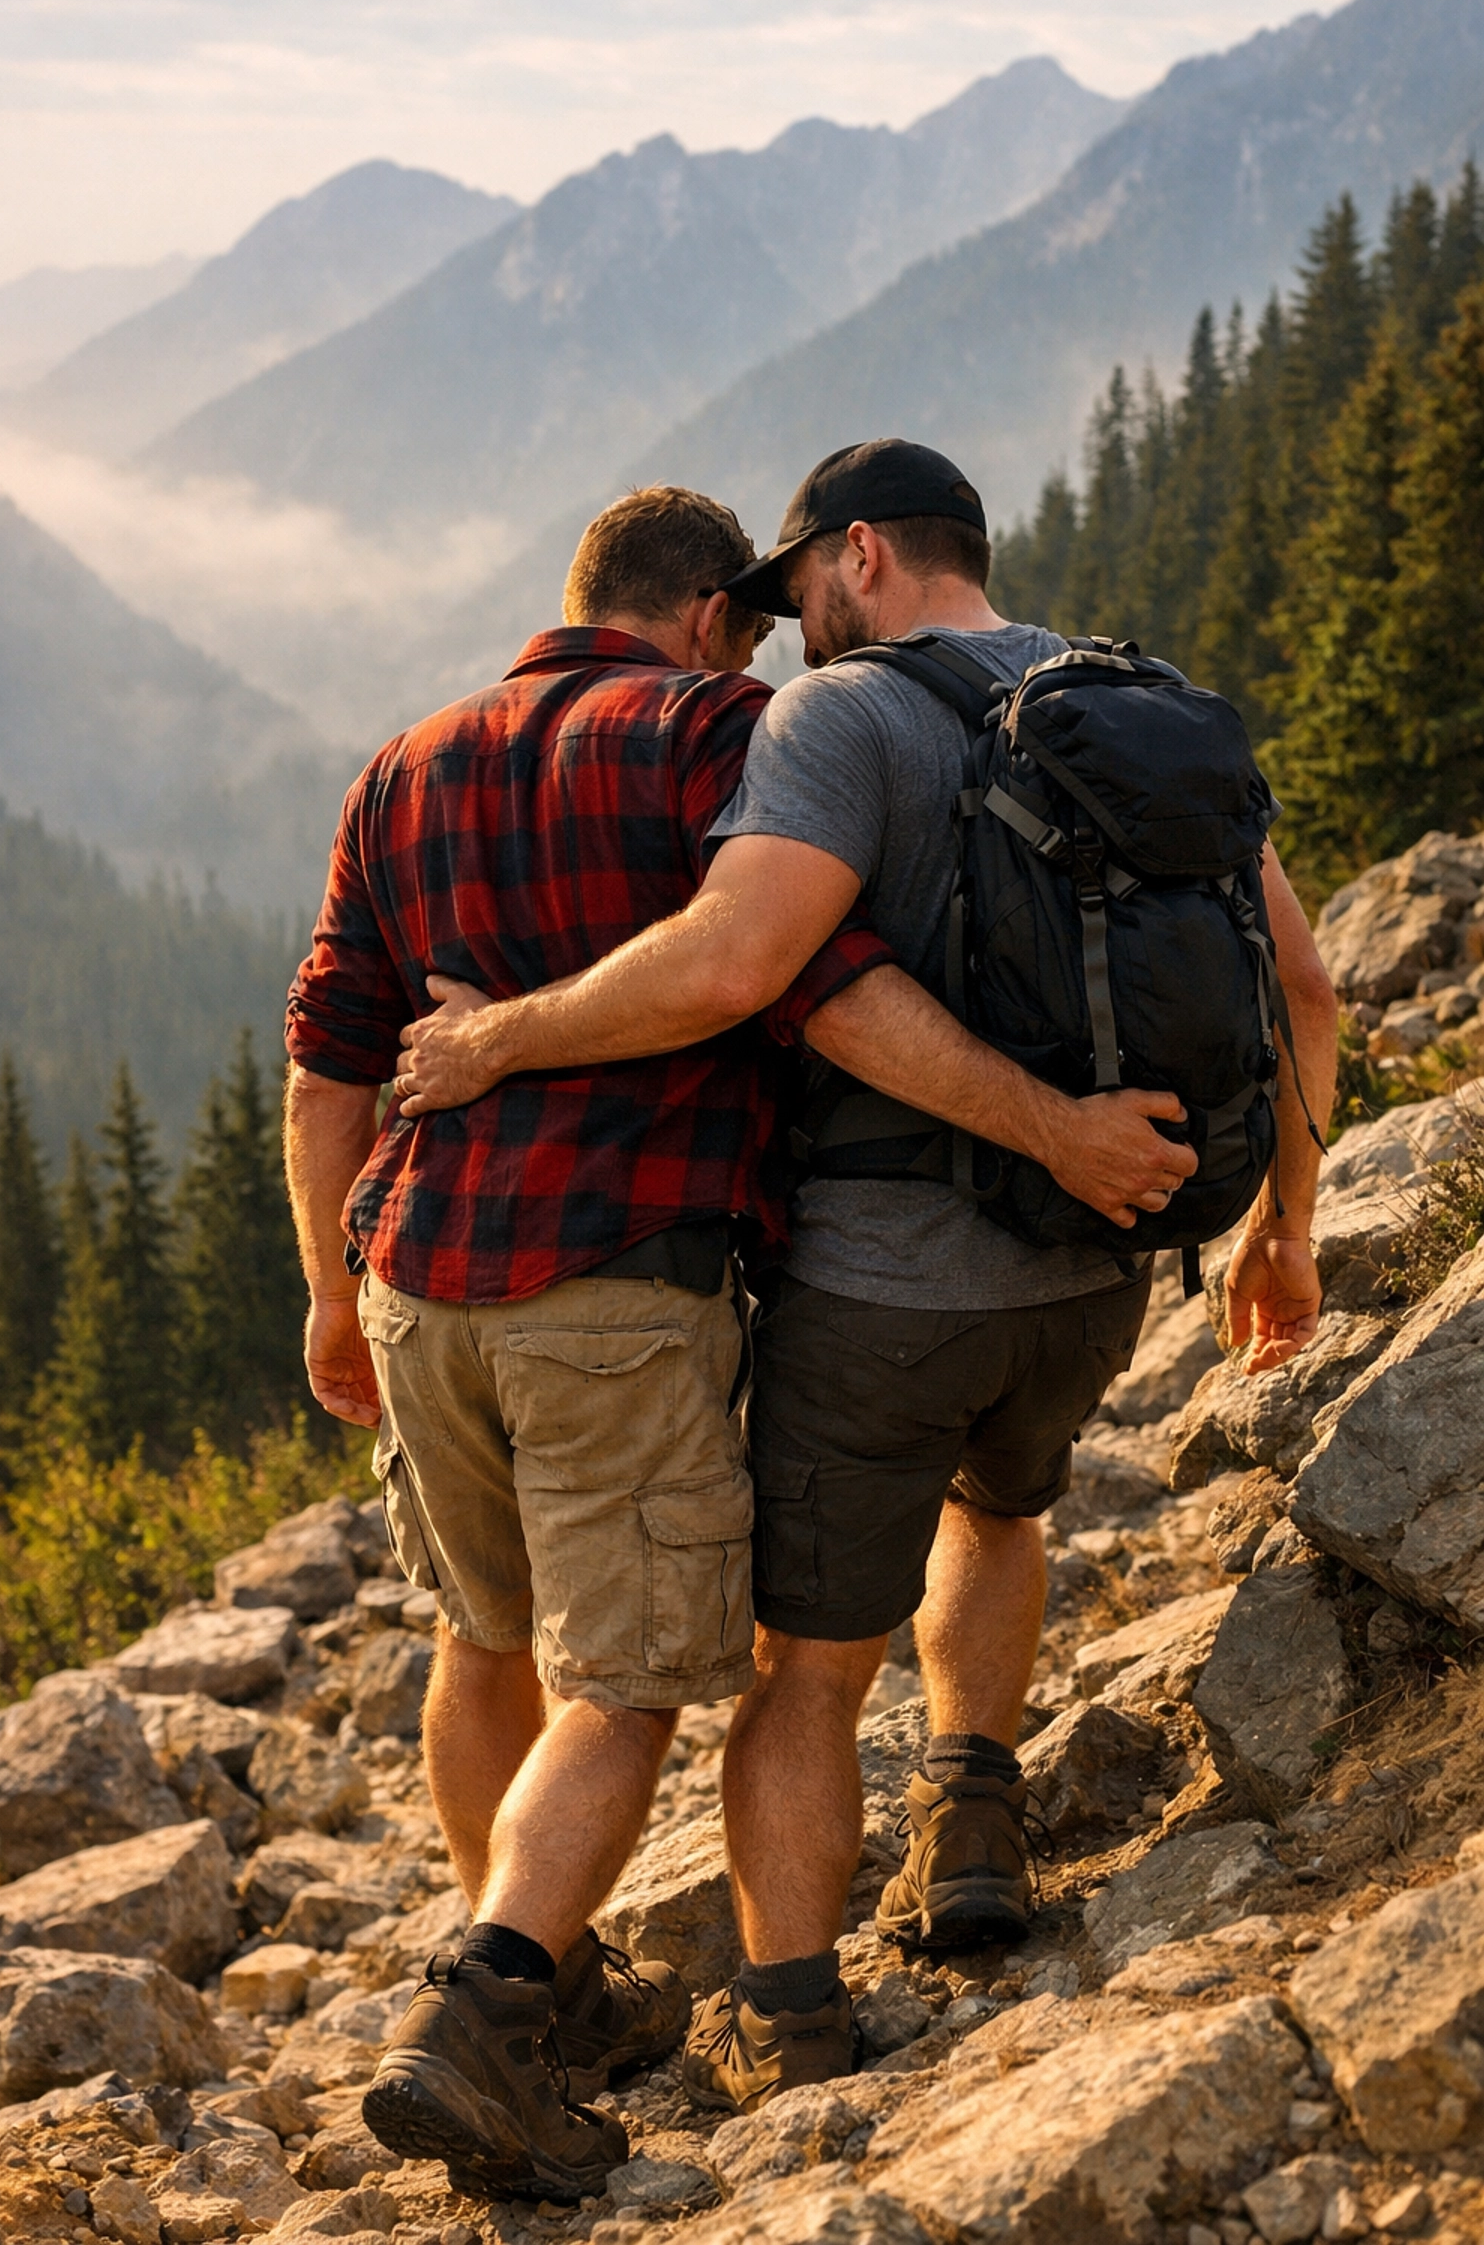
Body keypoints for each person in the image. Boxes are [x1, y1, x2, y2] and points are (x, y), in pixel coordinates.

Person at [394, 438, 1340, 2117]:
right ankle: (970, 1820)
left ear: (862, 558)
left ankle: (793, 2021)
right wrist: (1283, 1227)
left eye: (798, 591)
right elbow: (1306, 986)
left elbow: (743, 963)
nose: (785, 631)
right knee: (1004, 1508)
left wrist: (499, 1042)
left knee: (808, 1668)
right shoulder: (1135, 701)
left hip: (883, 1281)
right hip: (1101, 1262)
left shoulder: (839, 719)